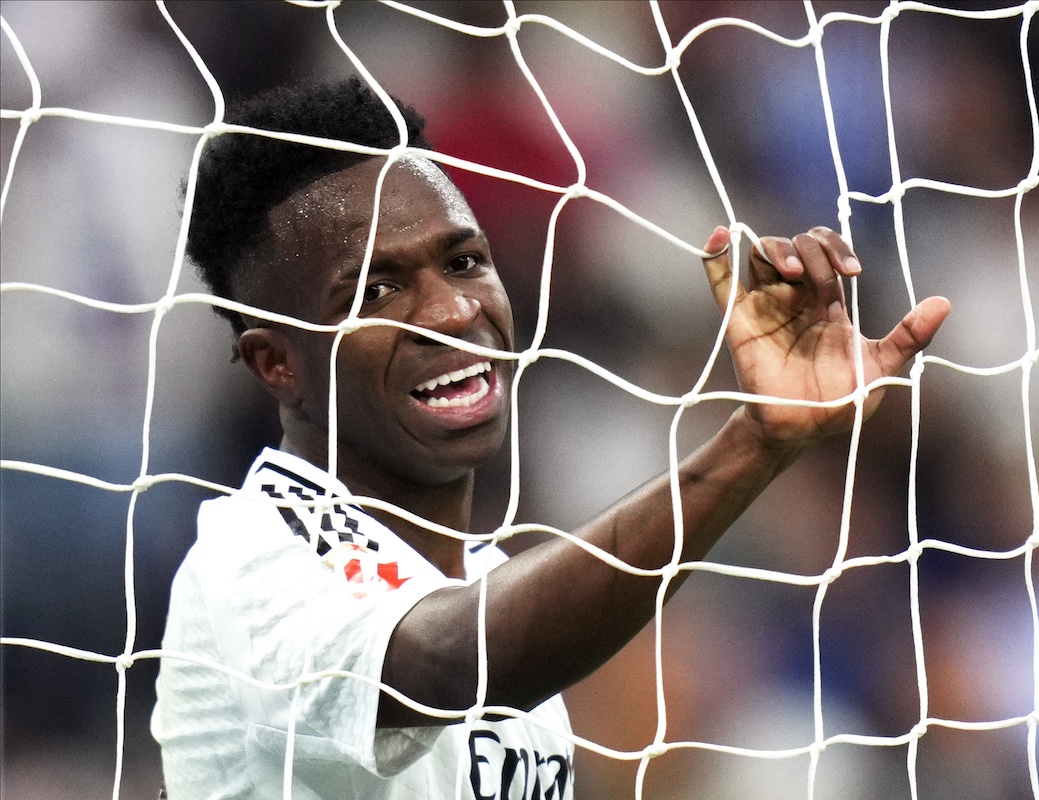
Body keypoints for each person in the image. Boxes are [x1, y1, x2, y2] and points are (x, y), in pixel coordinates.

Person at [151, 75, 950, 800]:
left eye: (464, 262)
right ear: (277, 363)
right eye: (378, 289)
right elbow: (450, 664)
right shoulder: (251, 562)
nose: (453, 311)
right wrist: (754, 440)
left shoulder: (489, 580)